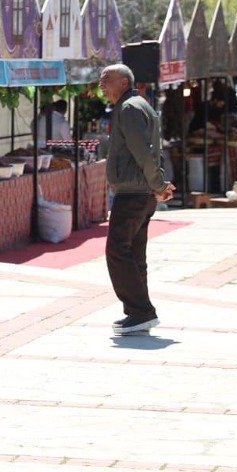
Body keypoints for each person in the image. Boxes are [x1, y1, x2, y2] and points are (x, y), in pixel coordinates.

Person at [98, 63, 173, 336]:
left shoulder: (129, 108)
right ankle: (139, 312)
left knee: (117, 250)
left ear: (122, 82)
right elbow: (154, 151)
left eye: (106, 80)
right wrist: (157, 184)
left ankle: (141, 311)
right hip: (141, 191)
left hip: (133, 192)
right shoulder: (138, 105)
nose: (101, 85)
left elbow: (143, 151)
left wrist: (158, 184)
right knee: (134, 253)